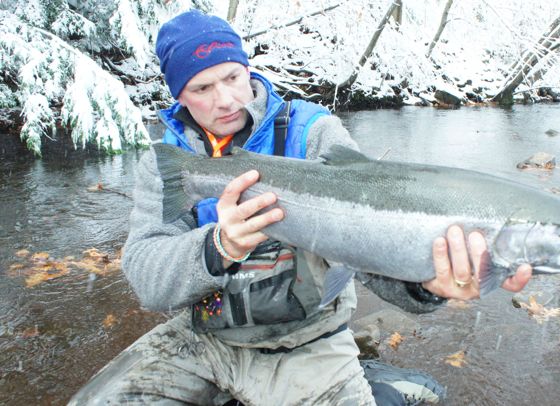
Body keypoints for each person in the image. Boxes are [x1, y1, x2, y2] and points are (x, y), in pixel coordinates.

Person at [69, 9, 531, 405]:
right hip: (201, 338)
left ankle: (378, 384)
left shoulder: (314, 135)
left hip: (307, 345)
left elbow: (370, 249)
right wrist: (218, 246)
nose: (226, 100)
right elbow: (148, 279)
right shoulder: (169, 162)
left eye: (233, 78)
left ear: (248, 70)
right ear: (179, 97)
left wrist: (426, 286)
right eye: (203, 88)